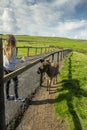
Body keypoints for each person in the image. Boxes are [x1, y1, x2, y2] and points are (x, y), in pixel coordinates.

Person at [3, 35, 25, 101]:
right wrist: (21, 60)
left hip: (5, 67)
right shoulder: (13, 48)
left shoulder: (5, 47)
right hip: (11, 69)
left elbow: (6, 58)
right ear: (13, 41)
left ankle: (7, 97)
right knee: (16, 82)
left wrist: (17, 58)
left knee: (8, 82)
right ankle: (17, 98)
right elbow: (12, 61)